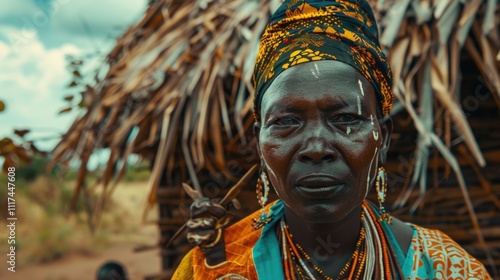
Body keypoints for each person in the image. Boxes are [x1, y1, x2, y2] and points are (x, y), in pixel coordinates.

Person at [172, 0, 493, 279]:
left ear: (384, 137)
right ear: (259, 143)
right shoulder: (210, 270)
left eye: (346, 119)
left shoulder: (445, 269)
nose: (315, 148)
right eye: (286, 121)